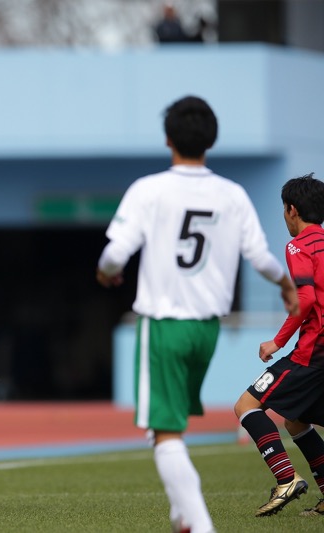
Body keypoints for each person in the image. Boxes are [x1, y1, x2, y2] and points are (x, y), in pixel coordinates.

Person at [96, 95, 298, 533]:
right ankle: (181, 515)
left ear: (168, 138)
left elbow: (114, 255)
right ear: (212, 140)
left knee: (164, 434)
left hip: (163, 325)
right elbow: (261, 257)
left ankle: (200, 525)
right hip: (207, 329)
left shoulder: (149, 189)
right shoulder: (233, 194)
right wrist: (285, 285)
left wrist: (106, 272)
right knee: (170, 428)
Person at [234, 173, 324, 518]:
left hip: (312, 352)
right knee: (297, 421)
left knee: (246, 405)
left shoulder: (298, 245)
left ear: (291, 210)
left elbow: (305, 298)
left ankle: (286, 478)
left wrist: (277, 341)